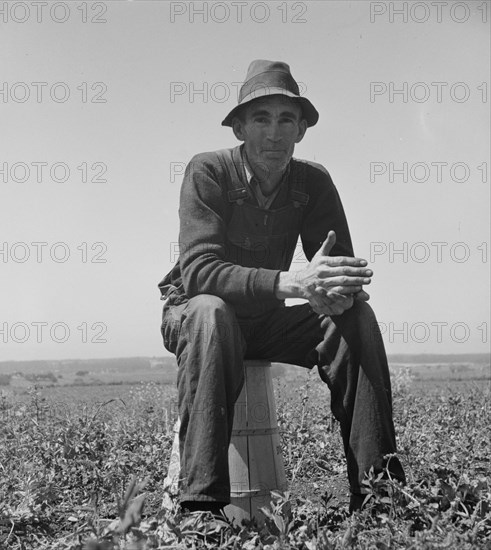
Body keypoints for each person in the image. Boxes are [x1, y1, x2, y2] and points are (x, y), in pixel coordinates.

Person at [158, 60, 406, 515]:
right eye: (261, 119)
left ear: (302, 131)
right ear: (238, 128)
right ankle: (201, 510)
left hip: (266, 322)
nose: (274, 134)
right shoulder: (207, 171)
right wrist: (293, 281)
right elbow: (199, 273)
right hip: (196, 318)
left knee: (356, 318)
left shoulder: (313, 182)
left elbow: (333, 268)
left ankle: (381, 501)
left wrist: (339, 290)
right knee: (213, 311)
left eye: (286, 120)